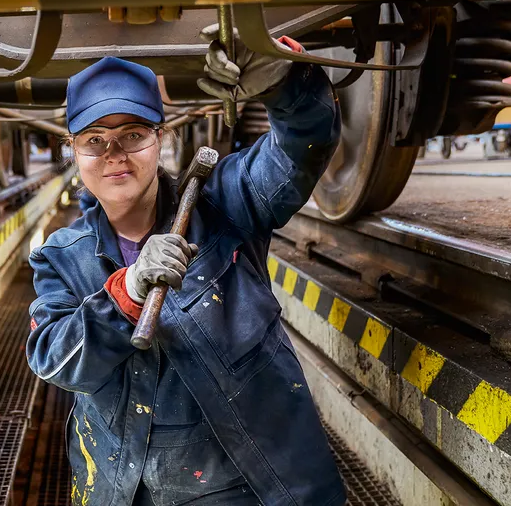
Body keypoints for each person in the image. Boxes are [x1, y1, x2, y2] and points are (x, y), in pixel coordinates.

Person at [26, 25, 346, 506]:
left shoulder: (229, 204)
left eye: (132, 135)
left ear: (161, 138)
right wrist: (127, 291)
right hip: (124, 488)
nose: (114, 155)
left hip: (250, 485)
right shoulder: (61, 256)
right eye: (94, 140)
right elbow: (56, 361)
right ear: (71, 150)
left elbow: (305, 143)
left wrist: (283, 80)